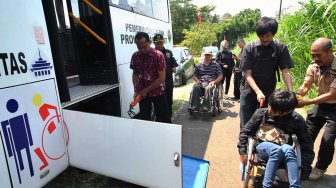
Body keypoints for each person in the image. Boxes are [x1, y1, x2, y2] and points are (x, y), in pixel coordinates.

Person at [238, 89, 314, 187]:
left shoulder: (296, 120)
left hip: (284, 147)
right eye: (270, 105)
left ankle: (295, 186)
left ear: (287, 111)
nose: (269, 109)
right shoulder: (261, 113)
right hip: (262, 147)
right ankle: (267, 185)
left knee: (289, 149)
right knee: (276, 150)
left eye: (274, 110)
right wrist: (243, 151)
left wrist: (302, 168)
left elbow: (307, 145)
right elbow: (245, 131)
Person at [240, 17, 293, 129]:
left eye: (268, 36)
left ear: (273, 34)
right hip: (248, 91)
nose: (264, 39)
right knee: (246, 124)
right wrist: (258, 92)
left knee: (266, 123)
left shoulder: (280, 48)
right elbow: (248, 74)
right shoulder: (249, 48)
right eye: (261, 36)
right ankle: (244, 145)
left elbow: (285, 71)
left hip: (269, 91)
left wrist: (291, 93)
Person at [296, 37, 336, 180]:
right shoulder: (314, 65)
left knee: (328, 139)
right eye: (313, 55)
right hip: (321, 105)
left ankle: (320, 167)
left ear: (330, 51)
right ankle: (303, 164)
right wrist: (298, 95)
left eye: (318, 55)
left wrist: (307, 102)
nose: (315, 58)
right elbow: (306, 84)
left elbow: (332, 93)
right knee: (306, 134)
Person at [130, 32, 171, 123]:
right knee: (145, 120)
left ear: (149, 42)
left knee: (164, 119)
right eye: (139, 47)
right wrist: (136, 90)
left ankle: (167, 136)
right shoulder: (135, 56)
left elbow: (162, 78)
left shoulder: (158, 55)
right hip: (142, 94)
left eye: (144, 47)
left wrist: (145, 90)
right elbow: (135, 74)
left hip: (158, 92)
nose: (142, 50)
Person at [153, 33, 178, 120]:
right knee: (159, 103)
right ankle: (159, 119)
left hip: (168, 82)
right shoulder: (152, 53)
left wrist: (173, 67)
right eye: (157, 43)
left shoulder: (168, 52)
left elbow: (173, 65)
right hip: (157, 83)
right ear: (154, 43)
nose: (159, 44)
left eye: (160, 42)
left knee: (169, 101)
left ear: (163, 42)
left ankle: (169, 118)